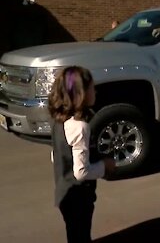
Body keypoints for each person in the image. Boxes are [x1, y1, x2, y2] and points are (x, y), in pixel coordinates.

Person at [48, 66, 116, 243]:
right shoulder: (80, 127)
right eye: (92, 87)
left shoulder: (59, 120)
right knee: (81, 234)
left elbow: (55, 155)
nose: (96, 91)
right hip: (79, 197)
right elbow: (81, 173)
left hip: (63, 191)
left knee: (74, 232)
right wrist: (105, 166)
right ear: (81, 93)